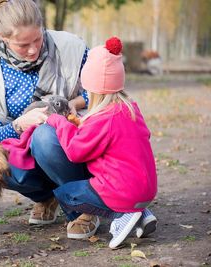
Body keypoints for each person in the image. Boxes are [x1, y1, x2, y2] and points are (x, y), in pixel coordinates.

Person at [0, 0, 98, 239]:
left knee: (44, 137)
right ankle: (47, 197)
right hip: (26, 150)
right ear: (3, 38)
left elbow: (100, 91)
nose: (33, 50)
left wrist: (72, 104)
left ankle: (84, 208)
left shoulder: (70, 47)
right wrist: (18, 124)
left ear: (43, 28)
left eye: (37, 39)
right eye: (23, 45)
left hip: (73, 145)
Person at [46, 37, 158, 248]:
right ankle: (140, 211)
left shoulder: (102, 118)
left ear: (92, 89)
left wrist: (58, 121)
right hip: (146, 189)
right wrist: (80, 124)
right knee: (117, 187)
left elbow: (74, 151)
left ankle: (122, 215)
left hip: (121, 190)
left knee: (65, 194)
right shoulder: (130, 108)